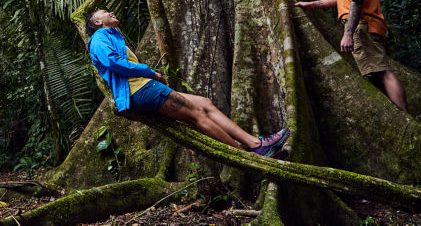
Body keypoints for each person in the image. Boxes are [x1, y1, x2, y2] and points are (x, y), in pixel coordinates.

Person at [86, 9, 289, 156]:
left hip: (144, 88)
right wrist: (149, 72)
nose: (111, 12)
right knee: (197, 114)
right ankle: (247, 158)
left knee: (204, 103)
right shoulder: (99, 37)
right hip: (140, 90)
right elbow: (113, 63)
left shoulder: (113, 35)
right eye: (104, 12)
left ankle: (255, 144)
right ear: (97, 23)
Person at [295, 0, 408, 111]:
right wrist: (312, 4)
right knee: (375, 73)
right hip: (362, 25)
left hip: (363, 25)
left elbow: (356, 0)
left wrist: (348, 33)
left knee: (382, 71)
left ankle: (404, 116)